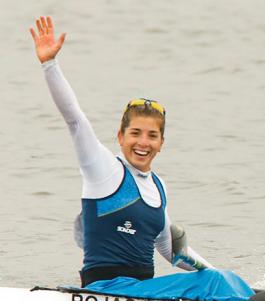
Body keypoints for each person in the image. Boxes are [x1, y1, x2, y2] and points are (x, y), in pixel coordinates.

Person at [30, 16, 213, 287]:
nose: (143, 143)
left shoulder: (159, 187)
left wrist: (216, 274)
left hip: (143, 294)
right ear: (120, 137)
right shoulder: (102, 168)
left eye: (152, 136)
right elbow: (74, 119)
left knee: (212, 282)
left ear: (161, 143)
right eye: (135, 133)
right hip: (103, 289)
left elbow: (171, 251)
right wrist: (49, 64)